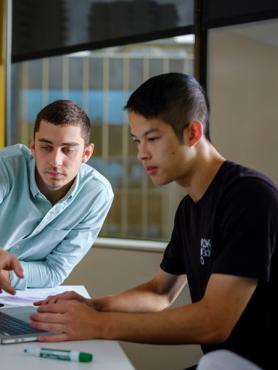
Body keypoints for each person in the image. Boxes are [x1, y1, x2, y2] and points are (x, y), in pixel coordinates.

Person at [30, 74, 277, 370]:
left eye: (152, 138)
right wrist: (93, 305)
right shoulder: (189, 208)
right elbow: (160, 292)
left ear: (192, 133)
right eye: (137, 141)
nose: (141, 153)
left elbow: (215, 322)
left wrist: (100, 325)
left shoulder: (249, 196)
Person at [0, 100, 113, 290]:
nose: (56, 161)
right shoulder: (5, 166)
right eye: (46, 147)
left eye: (68, 150)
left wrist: (6, 276)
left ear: (86, 153)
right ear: (33, 146)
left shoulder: (96, 194)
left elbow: (55, 271)